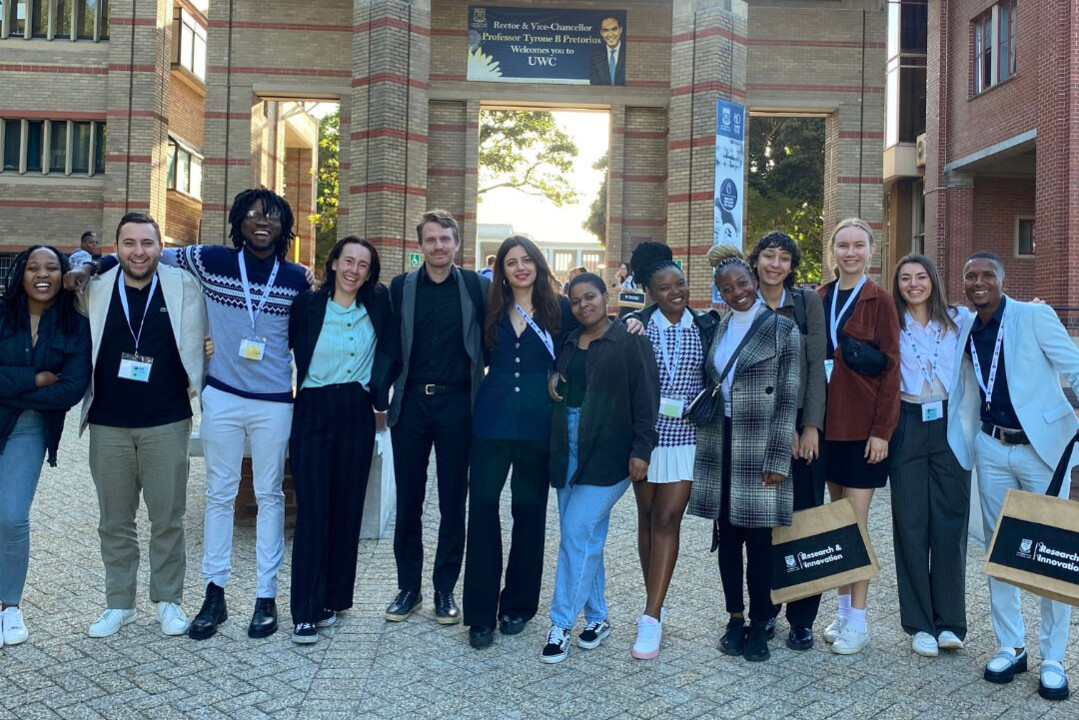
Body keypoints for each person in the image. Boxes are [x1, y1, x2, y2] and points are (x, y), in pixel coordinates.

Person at [65, 188, 311, 640]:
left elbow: (305, 332)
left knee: (269, 495)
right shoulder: (210, 261)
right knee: (219, 495)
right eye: (253, 214)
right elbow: (151, 253)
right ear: (237, 221)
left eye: (272, 216)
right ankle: (213, 595)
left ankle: (265, 597)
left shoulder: (298, 277)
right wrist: (92, 263)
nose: (262, 222)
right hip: (221, 396)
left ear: (284, 225)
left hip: (274, 400)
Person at [951, 251, 1079, 700]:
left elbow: (1075, 367)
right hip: (990, 448)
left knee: (1052, 550)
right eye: (971, 276)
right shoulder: (965, 324)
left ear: (1002, 280)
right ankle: (1011, 645)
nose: (979, 282)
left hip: (1041, 451)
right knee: (999, 548)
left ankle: (1054, 657)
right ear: (964, 284)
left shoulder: (1035, 316)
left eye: (988, 275)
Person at [77, 213, 208, 639]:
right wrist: (83, 266)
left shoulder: (185, 286)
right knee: (114, 520)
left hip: (167, 421)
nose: (138, 251)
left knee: (168, 517)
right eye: (129, 243)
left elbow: (213, 332)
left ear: (159, 246)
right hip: (108, 424)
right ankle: (119, 604)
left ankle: (168, 600)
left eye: (147, 243)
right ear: (115, 247)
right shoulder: (94, 288)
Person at [687, 245, 800, 663]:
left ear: (755, 280)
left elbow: (789, 399)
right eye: (726, 287)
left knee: (760, 541)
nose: (737, 292)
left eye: (742, 283)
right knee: (727, 538)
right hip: (721, 440)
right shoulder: (718, 327)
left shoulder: (782, 329)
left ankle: (760, 623)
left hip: (759, 441)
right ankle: (734, 618)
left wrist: (777, 460)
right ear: (719, 292)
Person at [463, 235, 575, 649]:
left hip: (536, 428)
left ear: (539, 265)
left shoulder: (559, 309)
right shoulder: (489, 307)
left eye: (527, 260)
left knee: (528, 516)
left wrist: (635, 320)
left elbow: (594, 332)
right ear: (502, 271)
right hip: (490, 426)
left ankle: (518, 605)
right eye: (512, 262)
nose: (520, 267)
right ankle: (479, 613)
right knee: (484, 514)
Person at [541, 272, 658, 664]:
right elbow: (560, 375)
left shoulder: (630, 338)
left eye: (589, 296)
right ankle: (598, 617)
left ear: (606, 296)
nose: (582, 305)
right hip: (566, 447)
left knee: (576, 530)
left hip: (610, 452)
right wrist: (554, 376)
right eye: (575, 300)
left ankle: (561, 624)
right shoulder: (570, 340)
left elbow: (647, 397)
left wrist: (642, 449)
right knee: (585, 538)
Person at [287, 237, 399, 644]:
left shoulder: (378, 305)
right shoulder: (308, 305)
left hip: (356, 407)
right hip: (313, 406)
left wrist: (381, 394)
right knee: (314, 509)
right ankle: (304, 610)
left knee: (347, 508)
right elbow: (281, 348)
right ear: (333, 263)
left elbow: (391, 350)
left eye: (363, 265)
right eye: (347, 261)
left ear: (370, 273)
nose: (354, 270)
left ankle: (333, 598)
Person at [386, 210, 490, 625]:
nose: (438, 247)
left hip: (458, 404)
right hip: (411, 402)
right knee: (409, 499)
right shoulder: (401, 287)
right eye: (431, 240)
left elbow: (512, 319)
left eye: (445, 239)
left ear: (457, 244)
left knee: (452, 501)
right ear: (421, 246)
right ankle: (408, 587)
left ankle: (444, 588)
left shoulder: (475, 287)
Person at [623, 242, 716, 660]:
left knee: (666, 517)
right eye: (664, 287)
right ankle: (654, 604)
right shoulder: (636, 325)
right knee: (646, 517)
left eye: (680, 283)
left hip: (687, 437)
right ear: (651, 292)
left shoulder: (707, 325)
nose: (675, 292)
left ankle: (651, 614)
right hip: (646, 435)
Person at [817, 218, 900, 655]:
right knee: (837, 522)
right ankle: (843, 611)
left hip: (864, 430)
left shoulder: (879, 300)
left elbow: (892, 370)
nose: (850, 253)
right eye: (843, 246)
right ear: (833, 251)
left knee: (856, 524)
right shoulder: (821, 297)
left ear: (871, 250)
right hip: (828, 428)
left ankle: (861, 620)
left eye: (858, 246)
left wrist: (882, 432)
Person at [0, 246, 91, 646]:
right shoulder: (3, 315)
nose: (42, 274)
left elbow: (70, 390)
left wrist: (9, 388)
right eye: (33, 267)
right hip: (24, 408)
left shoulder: (75, 326)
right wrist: (35, 380)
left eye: (52, 267)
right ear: (20, 274)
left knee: (11, 516)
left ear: (64, 275)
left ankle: (10, 607)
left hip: (28, 427)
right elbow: (51, 386)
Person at [888, 254, 974, 659]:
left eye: (921, 276)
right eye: (905, 278)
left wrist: (1036, 308)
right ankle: (920, 624)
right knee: (910, 524)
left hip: (948, 422)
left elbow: (1004, 317)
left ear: (933, 280)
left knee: (950, 524)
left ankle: (950, 623)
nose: (914, 284)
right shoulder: (891, 321)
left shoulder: (959, 319)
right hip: (905, 422)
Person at [747, 231, 828, 650]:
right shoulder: (743, 300)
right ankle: (763, 613)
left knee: (805, 523)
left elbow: (816, 366)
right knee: (762, 528)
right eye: (768, 256)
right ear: (756, 260)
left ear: (793, 266)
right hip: (755, 429)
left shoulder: (808, 303)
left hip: (803, 428)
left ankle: (802, 618)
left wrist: (810, 425)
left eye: (783, 258)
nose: (775, 264)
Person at [589, 15, 626, 86]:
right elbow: (594, 83)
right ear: (601, 33)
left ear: (620, 30)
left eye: (614, 29)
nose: (610, 34)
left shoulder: (629, 53)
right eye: (606, 30)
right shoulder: (595, 57)